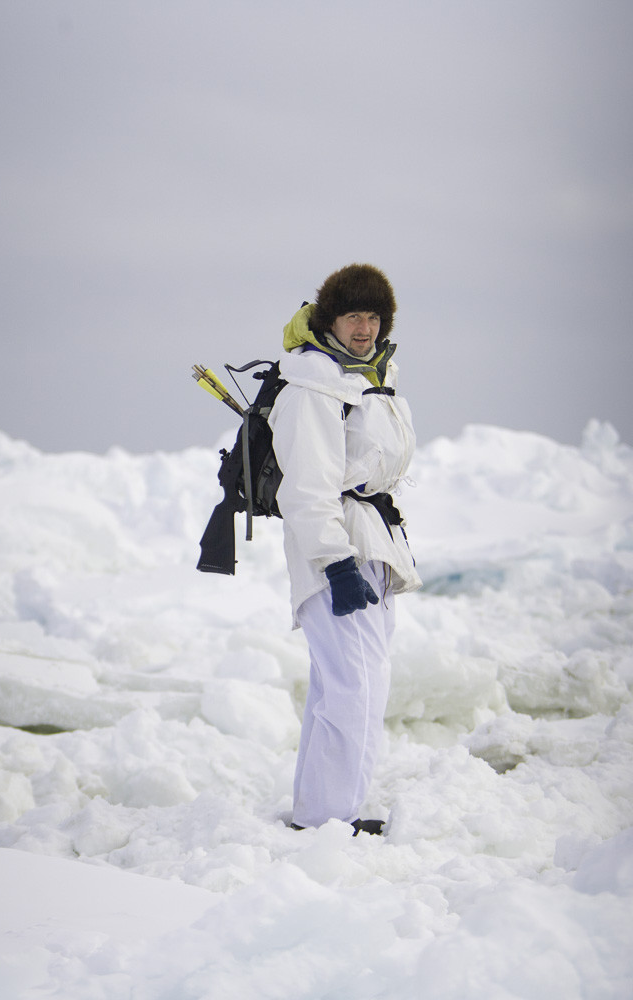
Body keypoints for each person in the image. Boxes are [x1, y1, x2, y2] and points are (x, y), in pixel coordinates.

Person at [270, 263, 421, 834]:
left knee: (355, 681)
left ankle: (320, 813)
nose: (366, 327)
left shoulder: (368, 378)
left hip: (370, 544)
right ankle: (329, 821)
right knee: (353, 685)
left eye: (375, 316)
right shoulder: (313, 384)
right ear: (330, 318)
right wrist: (336, 564)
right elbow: (307, 487)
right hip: (333, 550)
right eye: (354, 314)